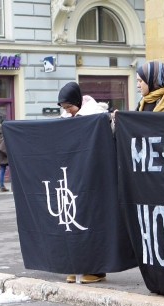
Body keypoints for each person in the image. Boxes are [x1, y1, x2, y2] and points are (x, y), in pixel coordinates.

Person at [57, 81, 110, 284]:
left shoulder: (96, 116)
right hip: (73, 177)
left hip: (94, 177)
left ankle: (96, 269)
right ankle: (78, 265)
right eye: (64, 108)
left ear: (78, 102)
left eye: (70, 107)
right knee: (74, 223)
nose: (68, 112)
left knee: (92, 223)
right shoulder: (66, 118)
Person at [0, 124, 10, 192]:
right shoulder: (5, 135)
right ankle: (13, 186)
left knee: (2, 170)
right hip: (6, 155)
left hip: (1, 156)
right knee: (12, 170)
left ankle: (1, 186)